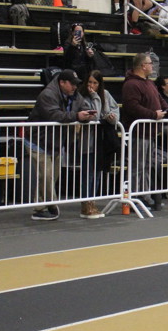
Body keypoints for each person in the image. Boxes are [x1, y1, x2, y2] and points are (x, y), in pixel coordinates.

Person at [28, 69, 97, 221]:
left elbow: (84, 108)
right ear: (62, 83)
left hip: (56, 142)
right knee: (46, 176)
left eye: (76, 84)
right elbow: (55, 115)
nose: (75, 87)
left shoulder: (75, 95)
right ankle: (51, 206)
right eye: (72, 84)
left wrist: (87, 116)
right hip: (38, 140)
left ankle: (40, 208)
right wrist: (77, 116)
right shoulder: (47, 95)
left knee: (50, 177)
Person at [121, 53, 168, 210]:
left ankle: (145, 196)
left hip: (150, 132)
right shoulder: (131, 85)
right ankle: (135, 197)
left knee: (147, 166)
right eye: (150, 63)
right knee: (137, 167)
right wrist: (153, 115)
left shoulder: (148, 83)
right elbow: (132, 107)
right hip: (138, 133)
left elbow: (160, 100)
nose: (152, 66)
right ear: (143, 66)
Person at [78, 70, 119, 218]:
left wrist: (111, 117)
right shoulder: (82, 96)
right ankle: (86, 204)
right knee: (87, 173)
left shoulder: (106, 94)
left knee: (97, 172)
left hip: (102, 140)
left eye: (95, 83)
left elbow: (114, 112)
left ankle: (93, 202)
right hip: (88, 140)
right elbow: (94, 116)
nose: (91, 85)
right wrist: (95, 97)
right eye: (89, 82)